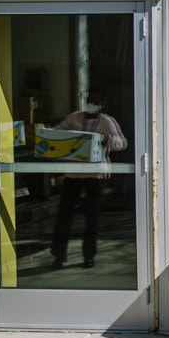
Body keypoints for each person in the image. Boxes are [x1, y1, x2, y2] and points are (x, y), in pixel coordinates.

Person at [50, 90, 128, 269]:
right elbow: (58, 133)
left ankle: (88, 256)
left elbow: (121, 142)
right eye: (89, 102)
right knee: (64, 216)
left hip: (94, 175)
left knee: (91, 217)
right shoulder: (75, 117)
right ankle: (59, 254)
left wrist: (107, 139)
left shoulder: (106, 121)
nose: (91, 106)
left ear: (101, 106)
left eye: (95, 103)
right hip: (73, 173)